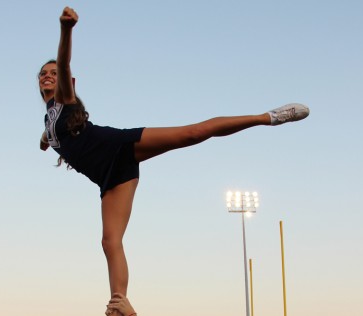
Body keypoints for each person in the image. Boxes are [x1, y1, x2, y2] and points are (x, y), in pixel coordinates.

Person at [39, 6, 310, 316]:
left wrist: (66, 29)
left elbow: (63, 62)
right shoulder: (49, 121)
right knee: (109, 241)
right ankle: (119, 304)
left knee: (192, 133)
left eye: (52, 74)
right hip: (108, 178)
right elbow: (50, 136)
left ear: (68, 82)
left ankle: (269, 117)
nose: (47, 77)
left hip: (117, 147)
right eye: (41, 75)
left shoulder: (64, 99)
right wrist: (45, 142)